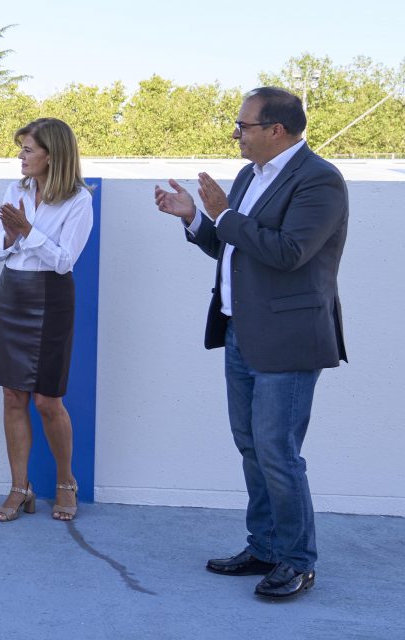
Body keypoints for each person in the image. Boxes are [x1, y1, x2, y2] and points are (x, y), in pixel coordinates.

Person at [154, 87, 348, 600]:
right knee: (251, 447)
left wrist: (223, 215)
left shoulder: (320, 181)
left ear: (276, 130)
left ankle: (298, 561)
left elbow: (289, 252)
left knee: (279, 452)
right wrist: (194, 218)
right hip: (240, 331)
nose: (236, 134)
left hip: (287, 340)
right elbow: (229, 245)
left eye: (243, 126)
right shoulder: (248, 177)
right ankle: (264, 545)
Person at [0, 118, 93, 524]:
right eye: (22, 149)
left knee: (48, 401)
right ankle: (20, 487)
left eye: (28, 150)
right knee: (12, 396)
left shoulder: (79, 199)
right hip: (11, 295)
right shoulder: (16, 190)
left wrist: (27, 232)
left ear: (53, 154)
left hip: (51, 299)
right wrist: (13, 237)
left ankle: (66, 482)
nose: (20, 157)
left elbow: (65, 261)